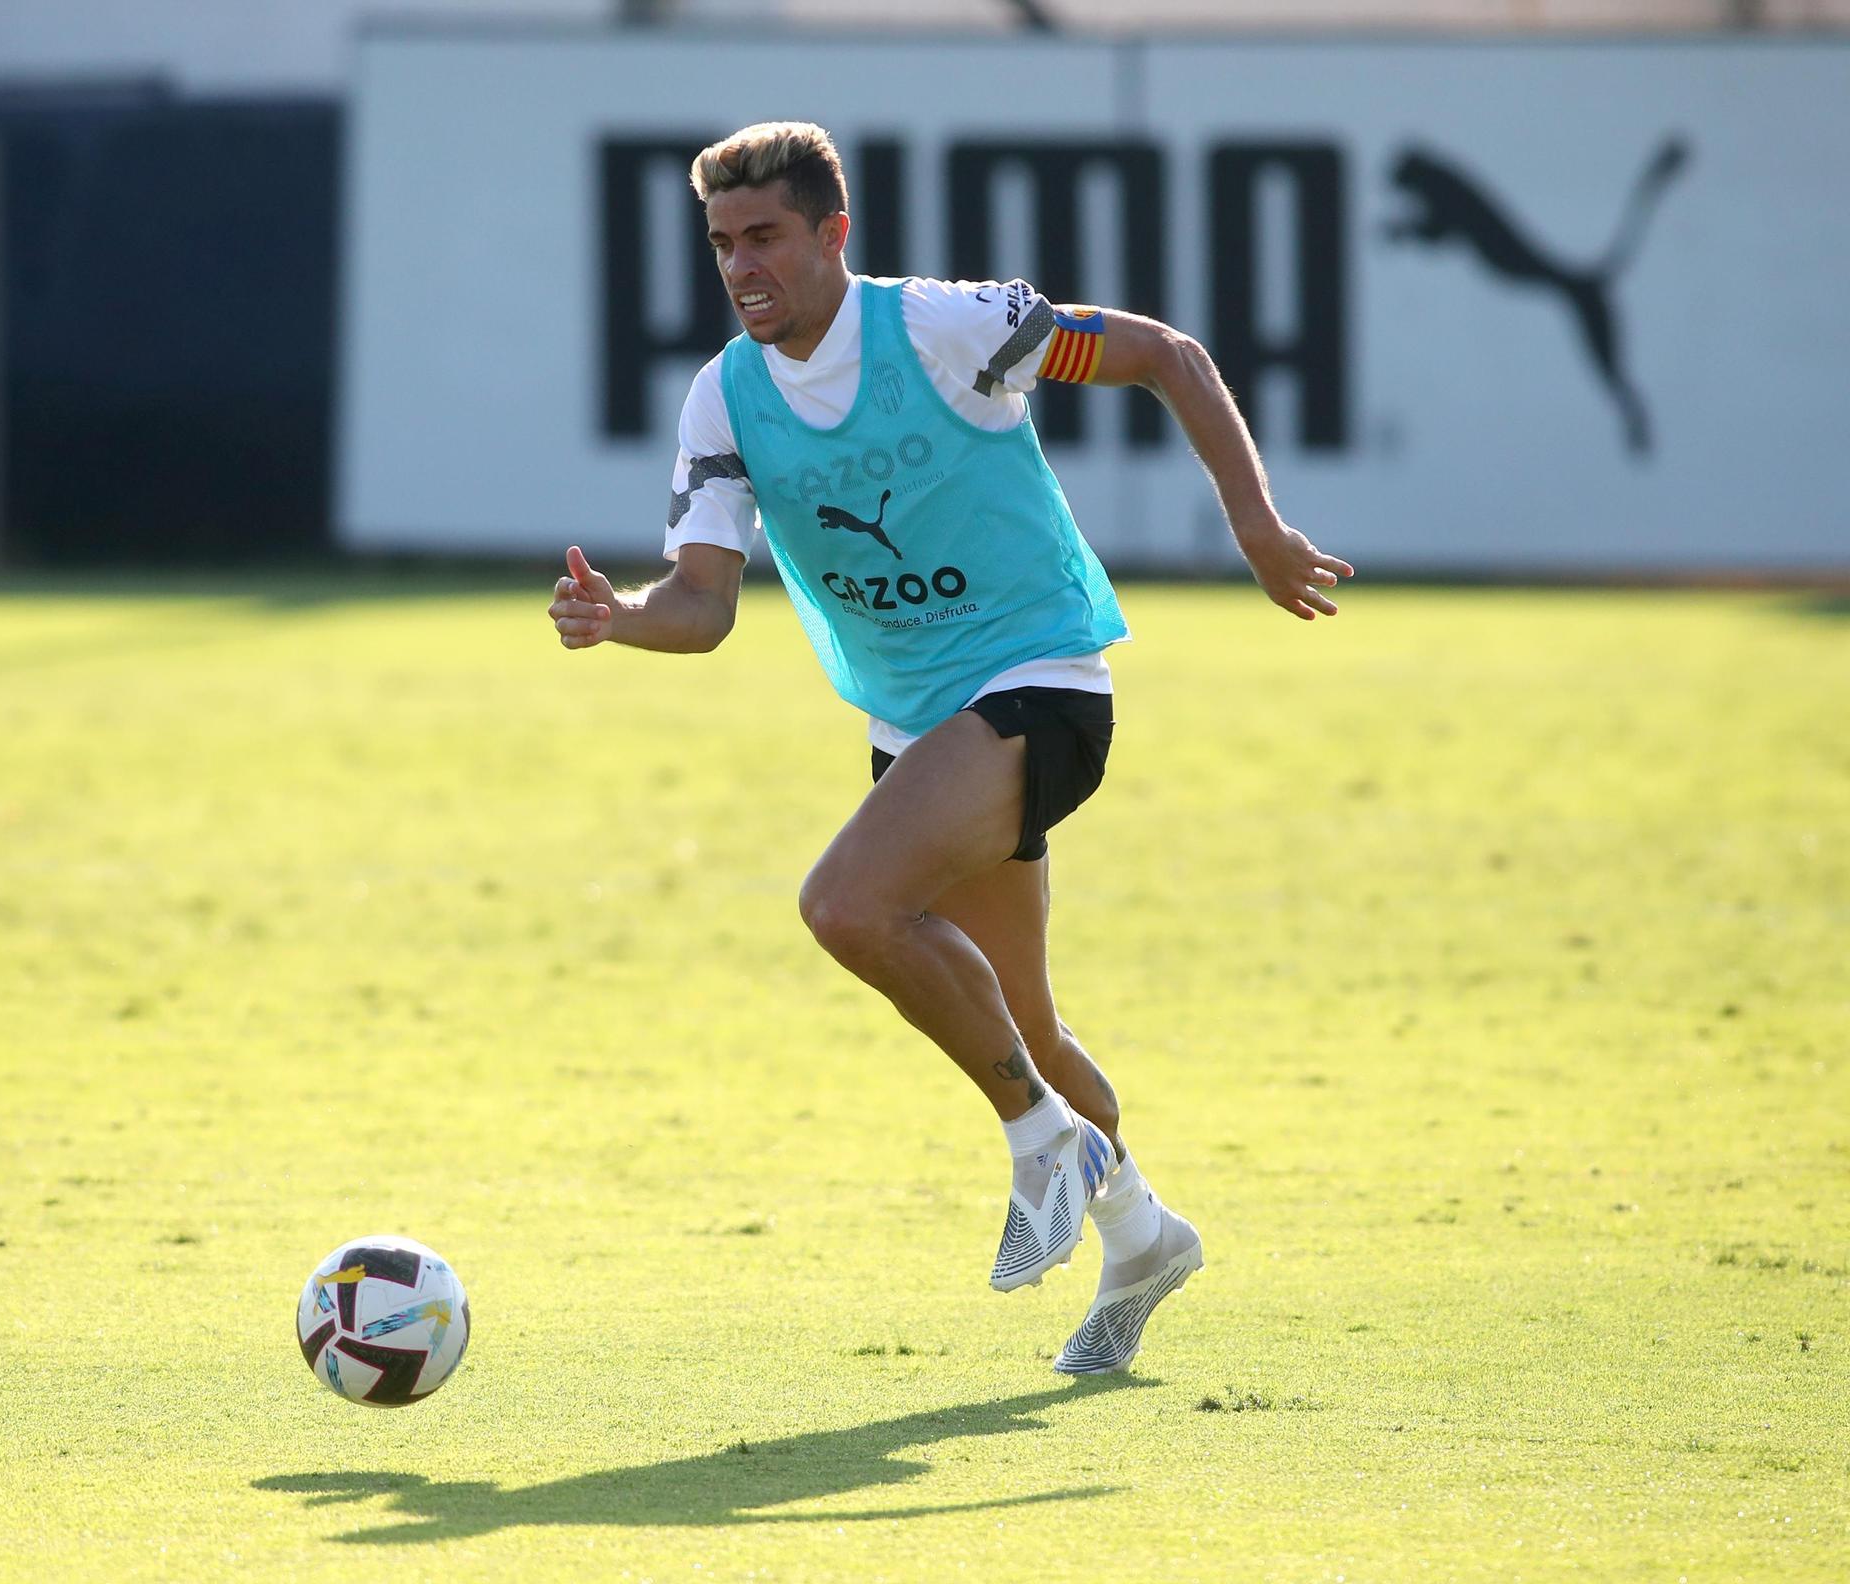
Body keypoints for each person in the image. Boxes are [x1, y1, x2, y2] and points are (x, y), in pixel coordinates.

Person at [549, 122, 1351, 1374]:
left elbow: (1167, 356)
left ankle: (1040, 1145)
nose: (741, 266)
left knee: (843, 905)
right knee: (1020, 1015)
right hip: (916, 727)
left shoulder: (942, 327)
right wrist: (624, 620)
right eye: (720, 245)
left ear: (832, 234)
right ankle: (1140, 1233)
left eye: (764, 237)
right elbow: (702, 605)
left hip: (1039, 679)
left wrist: (1253, 525)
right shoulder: (727, 394)